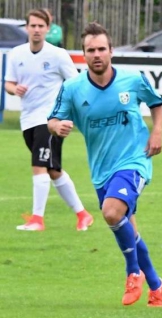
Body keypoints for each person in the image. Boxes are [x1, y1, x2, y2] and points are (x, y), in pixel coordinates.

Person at [48, 22, 162, 307]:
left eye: (101, 49)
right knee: (127, 227)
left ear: (111, 51)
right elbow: (52, 119)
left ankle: (133, 272)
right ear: (84, 54)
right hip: (101, 169)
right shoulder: (73, 88)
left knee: (112, 213)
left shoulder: (132, 79)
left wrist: (158, 131)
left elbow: (156, 103)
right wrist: (57, 127)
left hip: (134, 160)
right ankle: (156, 285)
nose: (97, 54)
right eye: (91, 50)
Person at [5, 8, 93, 232]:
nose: (36, 30)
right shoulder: (16, 54)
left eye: (41, 26)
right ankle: (83, 214)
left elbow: (75, 84)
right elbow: (8, 84)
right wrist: (15, 89)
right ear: (26, 28)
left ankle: (37, 219)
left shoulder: (57, 55)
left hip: (51, 121)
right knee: (53, 170)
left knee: (39, 165)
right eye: (33, 25)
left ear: (47, 29)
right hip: (28, 120)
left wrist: (73, 113)